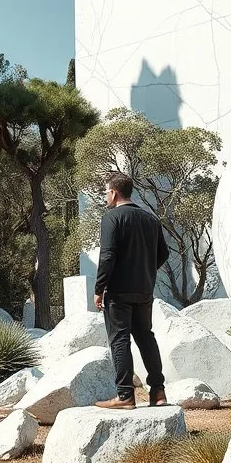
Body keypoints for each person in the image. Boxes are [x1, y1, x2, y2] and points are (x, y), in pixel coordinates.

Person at [93, 171, 170, 409]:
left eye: (106, 191)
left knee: (120, 341)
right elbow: (164, 254)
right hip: (144, 290)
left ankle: (125, 395)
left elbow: (107, 256)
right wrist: (145, 271)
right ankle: (158, 392)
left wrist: (99, 288)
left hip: (119, 292)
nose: (105, 196)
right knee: (146, 338)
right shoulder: (150, 219)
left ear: (114, 193)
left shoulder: (111, 218)